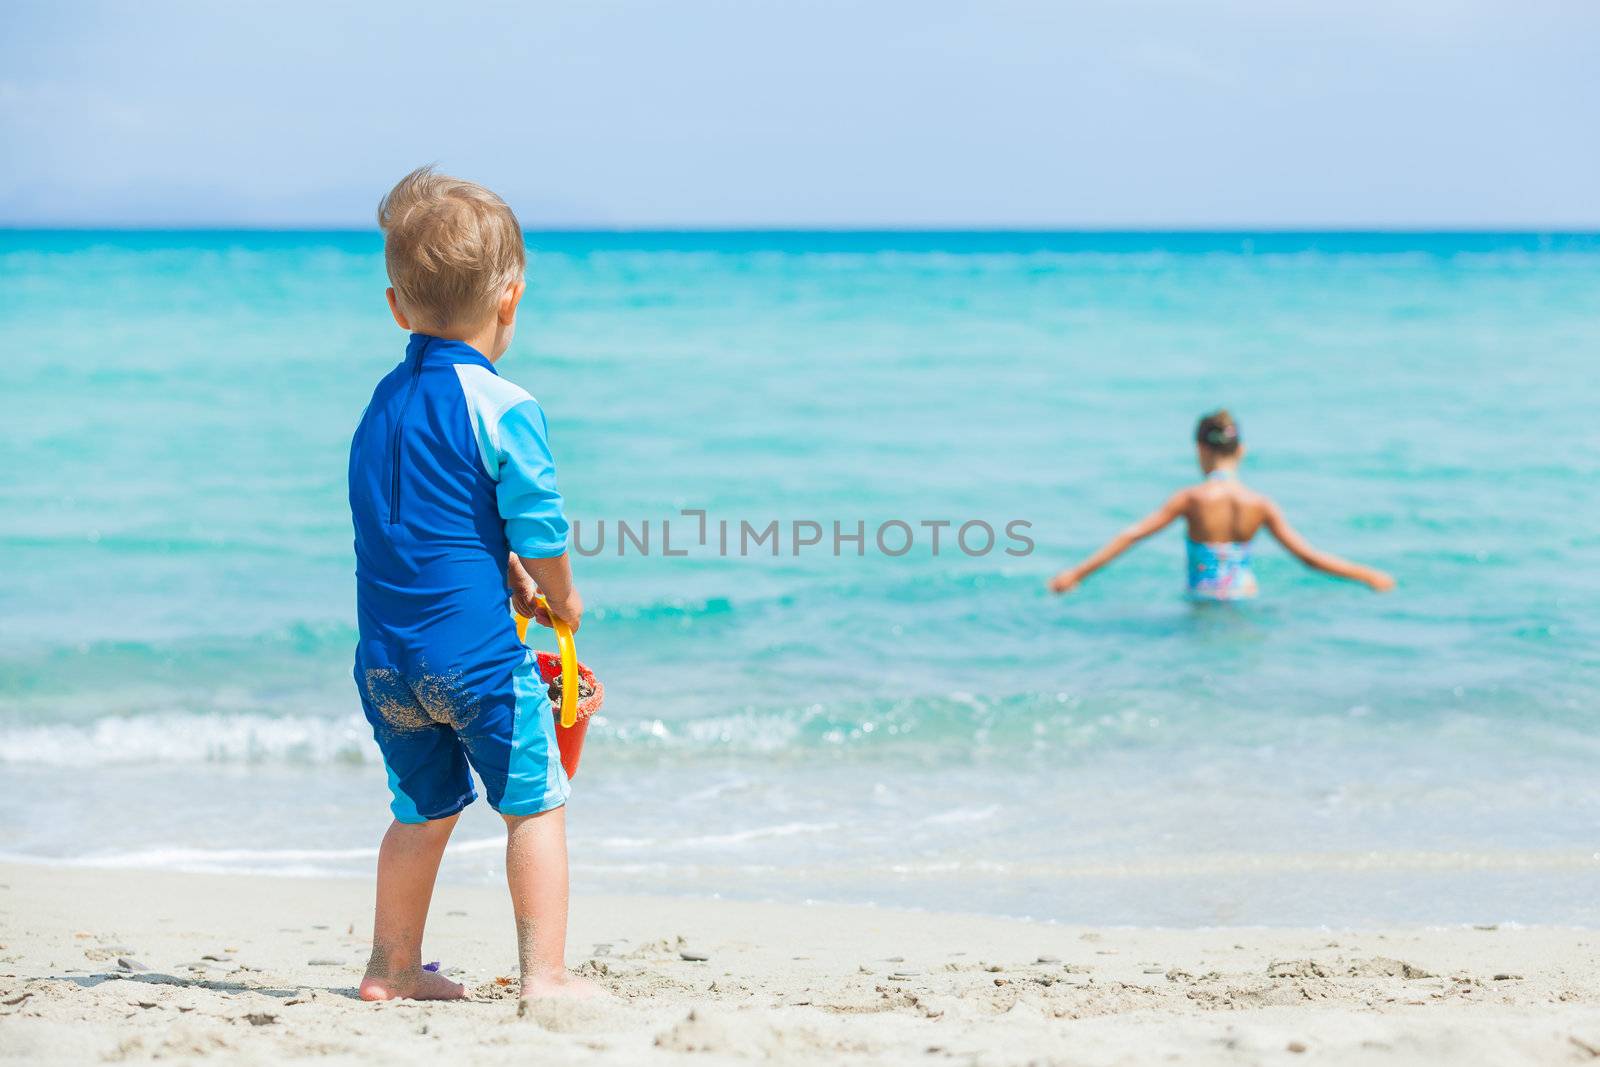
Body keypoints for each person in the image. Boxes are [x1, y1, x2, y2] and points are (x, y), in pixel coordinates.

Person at [348, 166, 598, 1002]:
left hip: (387, 664)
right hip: (481, 663)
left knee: (421, 811)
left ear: (397, 307)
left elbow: (426, 527)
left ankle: (389, 969)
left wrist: (507, 576)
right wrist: (557, 593)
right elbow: (539, 521)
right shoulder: (504, 404)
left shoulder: (380, 407)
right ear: (510, 302)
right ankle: (547, 977)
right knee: (535, 804)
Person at [1047, 410, 1395, 600]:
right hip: (1245, 595)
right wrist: (1367, 575)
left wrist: (1076, 574)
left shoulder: (1191, 499)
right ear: (1241, 451)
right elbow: (1309, 558)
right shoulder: (1259, 504)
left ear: (1200, 450)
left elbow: (1133, 535)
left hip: (1203, 598)